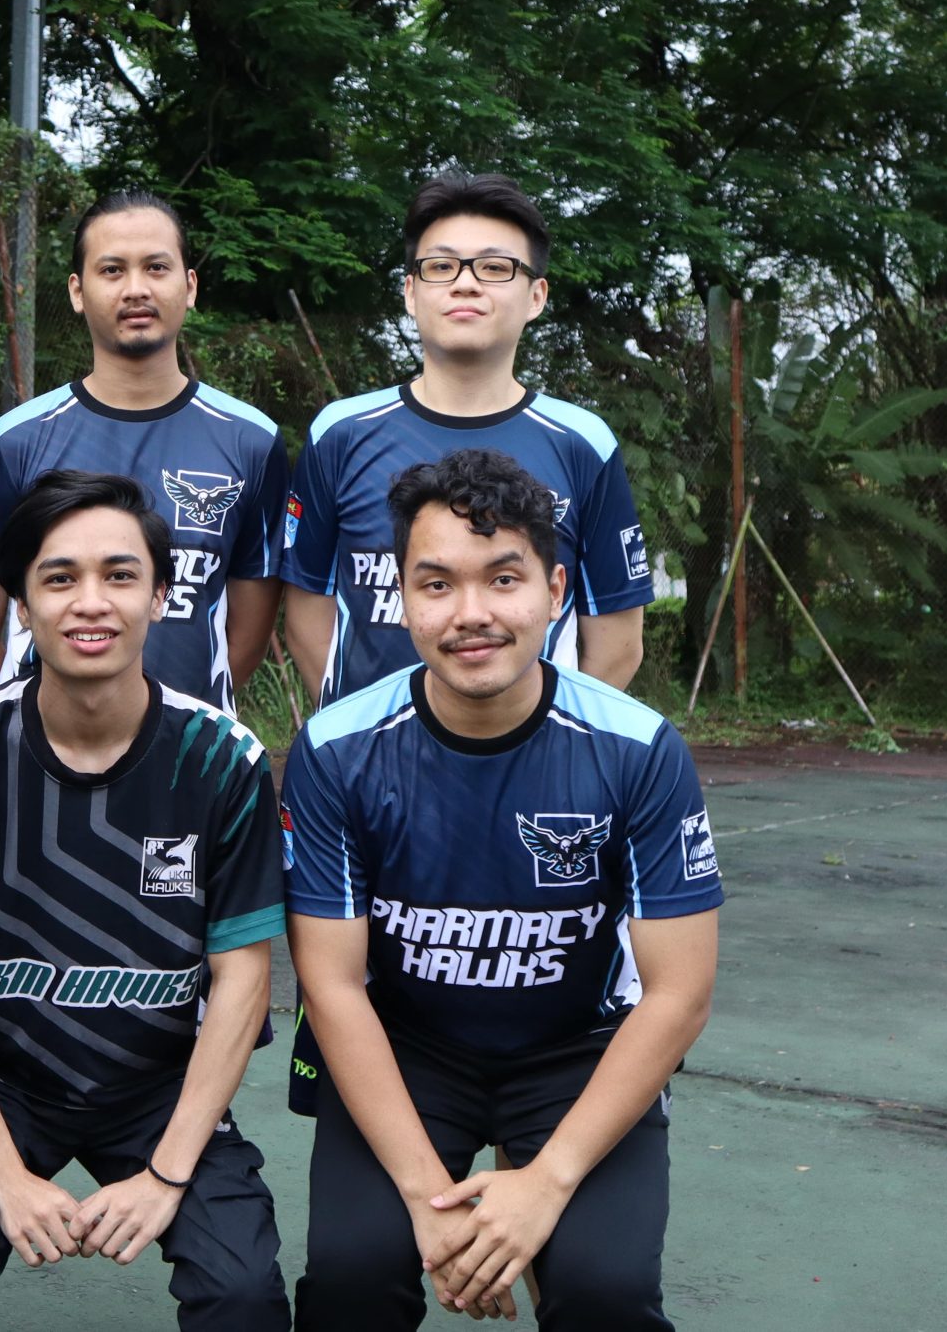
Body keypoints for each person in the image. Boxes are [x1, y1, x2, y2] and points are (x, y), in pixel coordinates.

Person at [282, 449, 721, 1329]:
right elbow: (331, 985)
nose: (472, 613)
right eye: (437, 584)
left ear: (556, 590)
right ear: (403, 597)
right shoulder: (335, 751)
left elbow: (678, 992)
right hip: (408, 1047)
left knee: (605, 1291)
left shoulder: (639, 750)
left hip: (576, 1050)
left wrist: (545, 1184)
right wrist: (426, 1201)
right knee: (353, 1275)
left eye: (504, 578)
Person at [0, 471, 291, 1330]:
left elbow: (243, 978)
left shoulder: (224, 760)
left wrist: (167, 1175)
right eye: (59, 577)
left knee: (243, 1292)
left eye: (119, 574)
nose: (91, 601)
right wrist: (3, 1173)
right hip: (5, 1082)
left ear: (161, 595)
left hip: (160, 1085)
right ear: (22, 605)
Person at [280, 173, 653, 708]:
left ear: (536, 296)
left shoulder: (583, 443)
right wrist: (361, 734)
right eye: (441, 266)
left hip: (535, 754)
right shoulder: (340, 434)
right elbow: (306, 611)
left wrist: (550, 738)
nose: (466, 284)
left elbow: (617, 640)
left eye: (495, 268)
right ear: (411, 292)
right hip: (373, 753)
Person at [0, 193, 287, 712]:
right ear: (77, 291)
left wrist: (180, 724)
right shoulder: (17, 439)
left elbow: (247, 632)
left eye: (156, 267)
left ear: (190, 286)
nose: (136, 289)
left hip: (189, 747)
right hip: (43, 744)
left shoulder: (252, 440)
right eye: (112, 270)